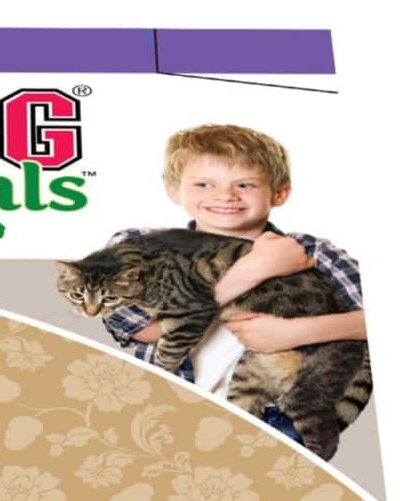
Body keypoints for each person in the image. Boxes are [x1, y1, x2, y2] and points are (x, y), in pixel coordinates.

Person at [96, 124, 366, 447]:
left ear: (279, 193)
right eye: (203, 184)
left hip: (278, 415)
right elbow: (143, 327)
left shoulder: (310, 252)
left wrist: (292, 333)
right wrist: (255, 268)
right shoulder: (141, 245)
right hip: (170, 414)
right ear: (174, 190)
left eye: (245, 184)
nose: (225, 195)